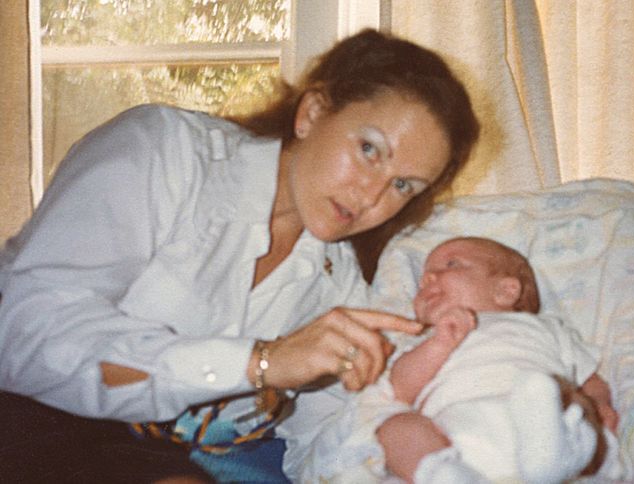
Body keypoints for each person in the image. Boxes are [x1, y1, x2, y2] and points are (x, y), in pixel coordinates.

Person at [0, 29, 480, 482]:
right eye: (370, 150)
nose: (372, 194)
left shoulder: (338, 282)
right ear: (312, 113)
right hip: (34, 405)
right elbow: (24, 334)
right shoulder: (162, 149)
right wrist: (260, 362)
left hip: (173, 454)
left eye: (402, 185)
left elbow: (321, 430)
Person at [299, 237, 621, 483]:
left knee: (576, 404)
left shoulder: (546, 328)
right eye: (423, 278)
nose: (428, 279)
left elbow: (590, 379)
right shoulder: (421, 338)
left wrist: (598, 403)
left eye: (450, 265)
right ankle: (441, 473)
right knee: (394, 428)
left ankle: (551, 460)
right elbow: (399, 389)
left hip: (542, 420)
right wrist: (439, 345)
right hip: (451, 437)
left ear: (506, 291)